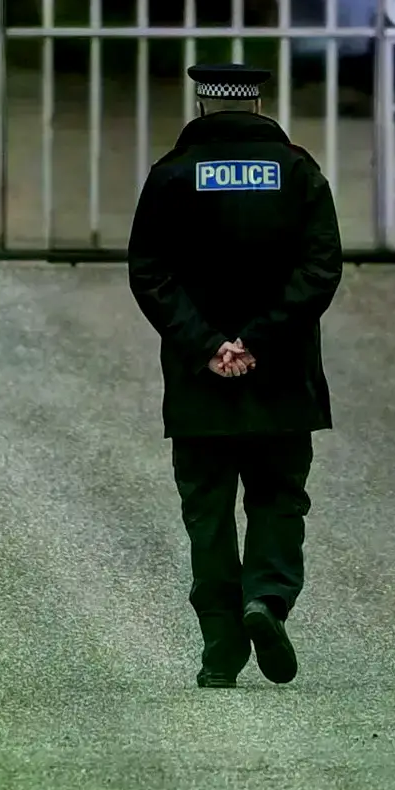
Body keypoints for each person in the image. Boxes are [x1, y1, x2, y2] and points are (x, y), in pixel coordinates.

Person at [126, 60, 343, 689]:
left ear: (202, 105)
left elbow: (149, 272)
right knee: (278, 496)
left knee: (209, 511)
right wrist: (259, 339)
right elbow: (321, 268)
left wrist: (209, 345)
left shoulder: (171, 175)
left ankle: (221, 648)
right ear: (257, 105)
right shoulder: (298, 172)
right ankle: (266, 599)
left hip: (200, 379)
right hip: (282, 373)